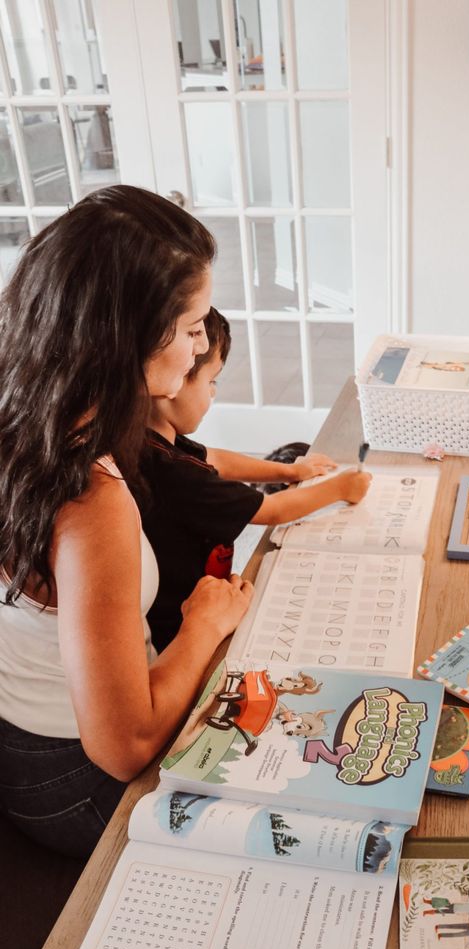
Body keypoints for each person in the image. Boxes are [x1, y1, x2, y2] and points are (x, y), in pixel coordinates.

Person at [0, 185, 253, 859]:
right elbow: (124, 747)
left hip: (26, 746)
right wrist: (204, 622)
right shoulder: (90, 499)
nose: (202, 348)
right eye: (195, 324)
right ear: (135, 334)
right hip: (72, 781)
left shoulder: (39, 413)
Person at [140, 307, 371, 650]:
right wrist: (340, 487)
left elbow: (215, 457)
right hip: (181, 627)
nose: (214, 393)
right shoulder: (176, 474)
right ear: (175, 381)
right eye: (211, 381)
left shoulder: (154, 441)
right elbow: (273, 510)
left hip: (199, 600)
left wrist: (289, 470)